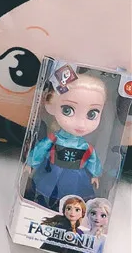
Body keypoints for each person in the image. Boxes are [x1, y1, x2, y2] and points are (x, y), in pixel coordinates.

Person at [23, 75, 105, 210]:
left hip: (76, 176)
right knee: (44, 195)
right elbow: (40, 150)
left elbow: (93, 160)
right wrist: (31, 163)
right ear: (52, 106)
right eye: (67, 110)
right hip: (52, 172)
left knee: (73, 200)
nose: (81, 123)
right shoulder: (54, 139)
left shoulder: (85, 146)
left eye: (92, 114)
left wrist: (95, 175)